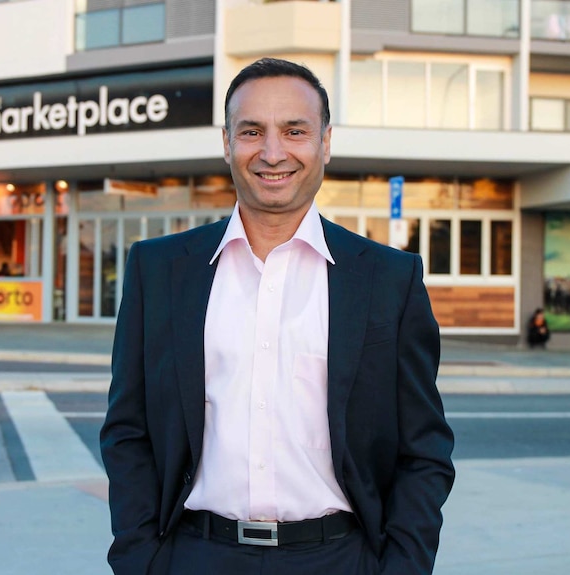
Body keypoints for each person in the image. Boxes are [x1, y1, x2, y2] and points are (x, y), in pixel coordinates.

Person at [100, 58, 455, 575]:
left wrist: (401, 565)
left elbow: (424, 449)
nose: (272, 152)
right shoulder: (158, 271)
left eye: (294, 130)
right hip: (194, 556)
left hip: (342, 558)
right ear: (227, 143)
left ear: (325, 142)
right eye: (251, 131)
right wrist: (142, 560)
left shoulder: (389, 279)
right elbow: (126, 432)